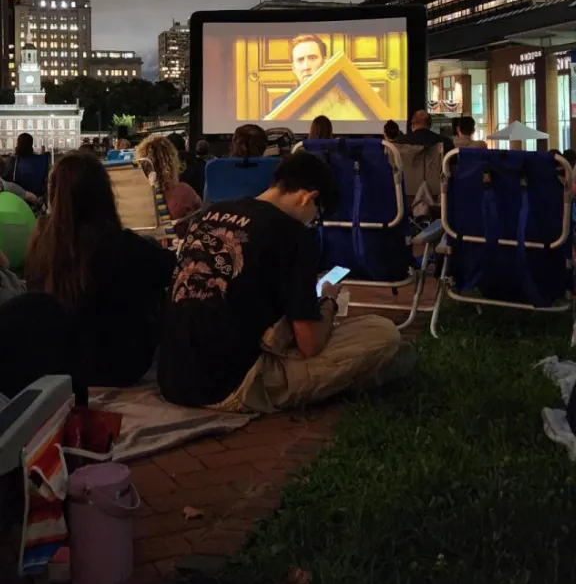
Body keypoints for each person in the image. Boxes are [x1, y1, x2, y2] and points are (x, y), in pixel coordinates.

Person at [158, 152, 415, 411]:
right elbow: (310, 343)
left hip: (172, 378)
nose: (312, 222)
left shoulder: (210, 213)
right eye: (316, 215)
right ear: (309, 197)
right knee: (383, 334)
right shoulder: (294, 235)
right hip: (231, 385)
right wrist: (328, 299)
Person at [20, 151, 175, 391]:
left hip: (64, 366)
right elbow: (172, 270)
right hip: (121, 366)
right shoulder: (123, 246)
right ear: (103, 194)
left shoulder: (40, 245)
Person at [135, 135, 201, 232]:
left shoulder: (134, 198)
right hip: (172, 245)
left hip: (140, 244)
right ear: (172, 162)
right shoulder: (183, 191)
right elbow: (201, 214)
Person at [269, 35, 328, 112]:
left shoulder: (342, 96)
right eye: (300, 60)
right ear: (294, 68)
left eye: (312, 58)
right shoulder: (280, 104)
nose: (306, 67)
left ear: (324, 62)